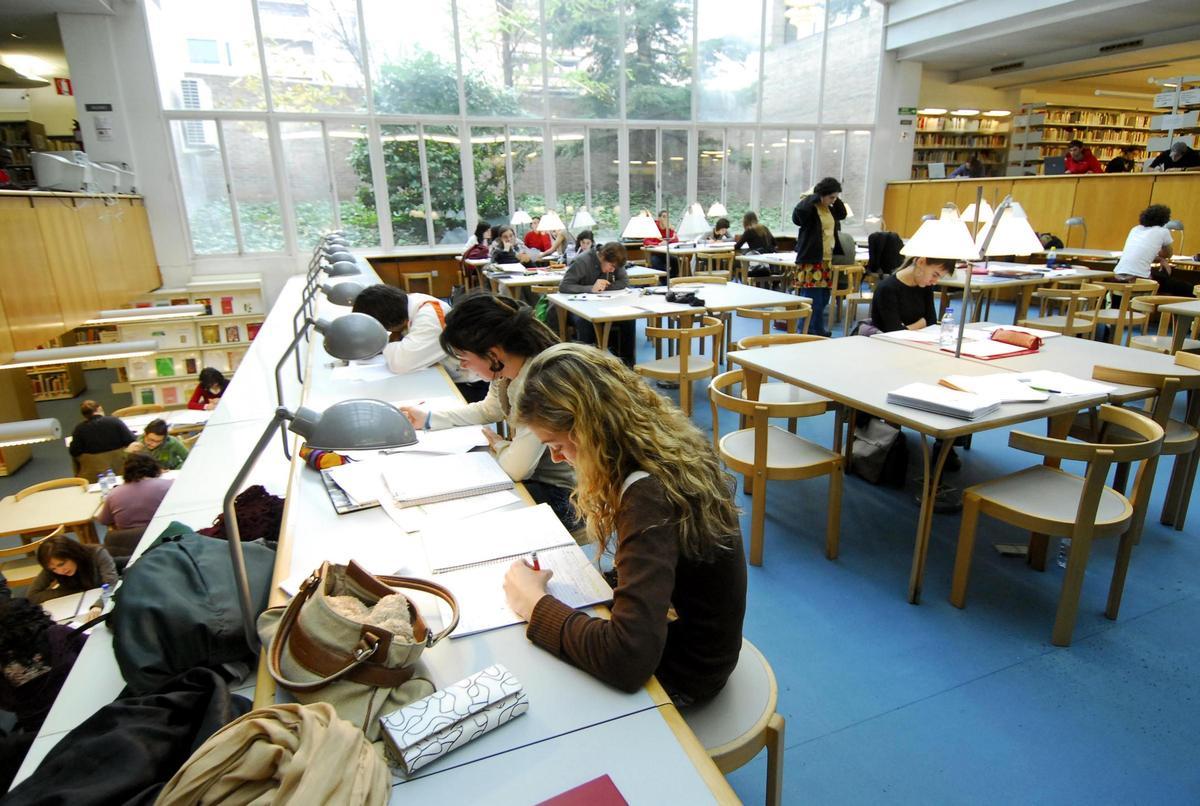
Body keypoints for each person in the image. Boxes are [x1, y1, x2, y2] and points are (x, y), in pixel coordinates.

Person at [503, 343, 747, 704]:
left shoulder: (647, 495)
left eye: (556, 444)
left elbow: (627, 659)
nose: (556, 457)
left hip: (686, 674)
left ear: (589, 430)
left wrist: (535, 604)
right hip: (696, 637)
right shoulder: (664, 444)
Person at [399, 294, 578, 529]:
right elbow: (490, 409)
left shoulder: (536, 387)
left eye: (464, 358)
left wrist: (500, 445)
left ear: (493, 354)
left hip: (566, 494)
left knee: (468, 519)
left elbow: (517, 469)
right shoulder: (506, 370)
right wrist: (430, 418)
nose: (462, 366)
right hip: (535, 478)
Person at [352, 284, 488, 403]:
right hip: (445, 374)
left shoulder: (430, 319)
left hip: (468, 385)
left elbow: (401, 362)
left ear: (392, 325)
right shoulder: (405, 303)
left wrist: (383, 344)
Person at [0, 597, 87, 734]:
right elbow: (90, 650)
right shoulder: (58, 634)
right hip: (84, 706)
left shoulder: (3, 663)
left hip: (39, 730)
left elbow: (8, 704)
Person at [559, 242, 636, 366]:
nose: (612, 270)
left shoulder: (615, 260)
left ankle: (627, 366)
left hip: (603, 306)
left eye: (615, 268)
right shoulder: (581, 261)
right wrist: (591, 288)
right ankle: (589, 366)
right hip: (579, 307)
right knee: (586, 322)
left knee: (628, 319)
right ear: (603, 257)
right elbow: (564, 286)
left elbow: (624, 282)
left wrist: (604, 287)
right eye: (611, 266)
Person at [792, 177, 847, 337]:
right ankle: (804, 330)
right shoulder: (810, 207)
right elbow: (798, 216)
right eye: (831, 197)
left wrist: (834, 200)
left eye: (835, 197)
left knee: (823, 297)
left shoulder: (830, 208)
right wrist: (815, 196)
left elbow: (842, 214)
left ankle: (816, 329)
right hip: (811, 259)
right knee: (812, 298)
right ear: (821, 194)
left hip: (826, 259)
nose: (833, 200)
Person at [1113, 204, 1191, 295]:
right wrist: (1162, 258)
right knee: (1186, 288)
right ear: (1165, 219)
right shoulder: (1163, 231)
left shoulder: (1135, 229)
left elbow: (1141, 254)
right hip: (1140, 279)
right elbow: (1168, 254)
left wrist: (1159, 259)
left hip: (1118, 276)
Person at [868, 257, 955, 332]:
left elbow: (931, 322)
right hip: (887, 346)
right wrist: (921, 323)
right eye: (934, 275)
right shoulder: (887, 289)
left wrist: (907, 328)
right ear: (921, 262)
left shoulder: (924, 286)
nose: (935, 282)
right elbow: (895, 332)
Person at [26, 536, 117, 606]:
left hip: (104, 602)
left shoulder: (97, 553)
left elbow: (112, 585)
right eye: (53, 569)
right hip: (74, 605)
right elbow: (32, 596)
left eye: (61, 564)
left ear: (73, 554)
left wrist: (99, 605)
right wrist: (69, 592)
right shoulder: (51, 565)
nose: (60, 571)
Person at [97, 452, 174, 531]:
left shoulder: (114, 494)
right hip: (163, 535)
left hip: (129, 540)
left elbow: (103, 521)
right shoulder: (169, 485)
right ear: (155, 469)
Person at [68, 400, 135, 483]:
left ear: (84, 415)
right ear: (99, 409)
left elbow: (74, 451)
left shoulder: (79, 429)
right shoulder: (114, 421)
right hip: (120, 466)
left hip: (94, 471)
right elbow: (131, 440)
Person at [643, 209, 679, 275]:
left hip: (666, 253)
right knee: (656, 261)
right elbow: (646, 241)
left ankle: (671, 279)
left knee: (676, 260)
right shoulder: (653, 227)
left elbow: (676, 240)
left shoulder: (669, 228)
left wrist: (670, 234)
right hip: (655, 254)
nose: (666, 219)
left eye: (667, 217)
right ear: (659, 218)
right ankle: (663, 281)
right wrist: (658, 244)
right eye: (664, 216)